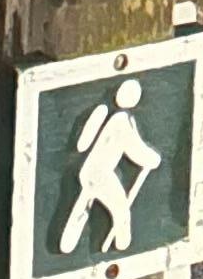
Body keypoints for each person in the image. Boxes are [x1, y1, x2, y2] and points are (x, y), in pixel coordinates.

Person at [57, 77, 164, 258]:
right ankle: (121, 243)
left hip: (90, 171)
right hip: (101, 174)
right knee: (121, 209)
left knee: (85, 200)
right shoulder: (121, 121)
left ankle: (71, 238)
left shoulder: (112, 115)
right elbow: (134, 149)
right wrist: (152, 159)